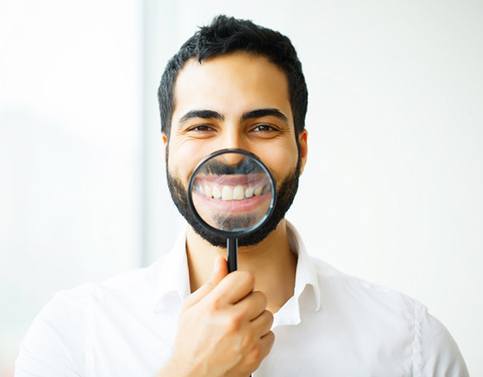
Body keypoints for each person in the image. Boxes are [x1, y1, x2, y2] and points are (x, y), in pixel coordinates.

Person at [15, 15, 469, 377]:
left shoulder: (413, 347)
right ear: (167, 149)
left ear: (302, 149)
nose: (231, 155)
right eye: (202, 127)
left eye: (263, 127)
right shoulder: (75, 336)